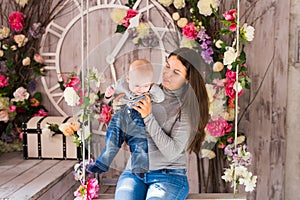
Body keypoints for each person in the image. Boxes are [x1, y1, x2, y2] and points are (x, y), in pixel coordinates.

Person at [114, 47, 209, 200]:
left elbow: (172, 152)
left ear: (188, 79)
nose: (166, 73)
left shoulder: (186, 110)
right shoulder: (147, 91)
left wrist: (148, 117)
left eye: (176, 72)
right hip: (135, 172)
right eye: (167, 66)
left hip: (168, 176)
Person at [88, 59, 164, 176]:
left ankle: (139, 168)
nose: (140, 89)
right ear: (128, 79)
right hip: (121, 116)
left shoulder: (151, 90)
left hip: (138, 119)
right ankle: (102, 164)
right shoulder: (122, 84)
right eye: (137, 85)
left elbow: (160, 97)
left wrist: (152, 86)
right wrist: (109, 93)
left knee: (140, 144)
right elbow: (110, 93)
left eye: (145, 85)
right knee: (112, 141)